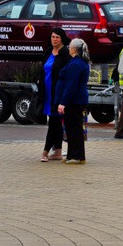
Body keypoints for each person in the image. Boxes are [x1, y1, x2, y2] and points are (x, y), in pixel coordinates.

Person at [56, 38, 90, 165]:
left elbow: (71, 85)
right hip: (77, 99)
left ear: (74, 49)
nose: (68, 48)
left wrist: (63, 102)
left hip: (74, 100)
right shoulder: (80, 62)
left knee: (73, 128)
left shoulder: (75, 64)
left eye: (70, 46)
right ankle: (73, 154)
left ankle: (77, 156)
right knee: (72, 128)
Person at [39, 28, 71, 162]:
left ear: (62, 38)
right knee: (55, 122)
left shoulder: (65, 53)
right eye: (53, 37)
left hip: (57, 93)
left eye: (57, 37)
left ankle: (45, 151)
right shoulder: (48, 51)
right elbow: (43, 69)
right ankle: (57, 151)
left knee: (53, 121)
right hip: (47, 92)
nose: (54, 39)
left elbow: (68, 74)